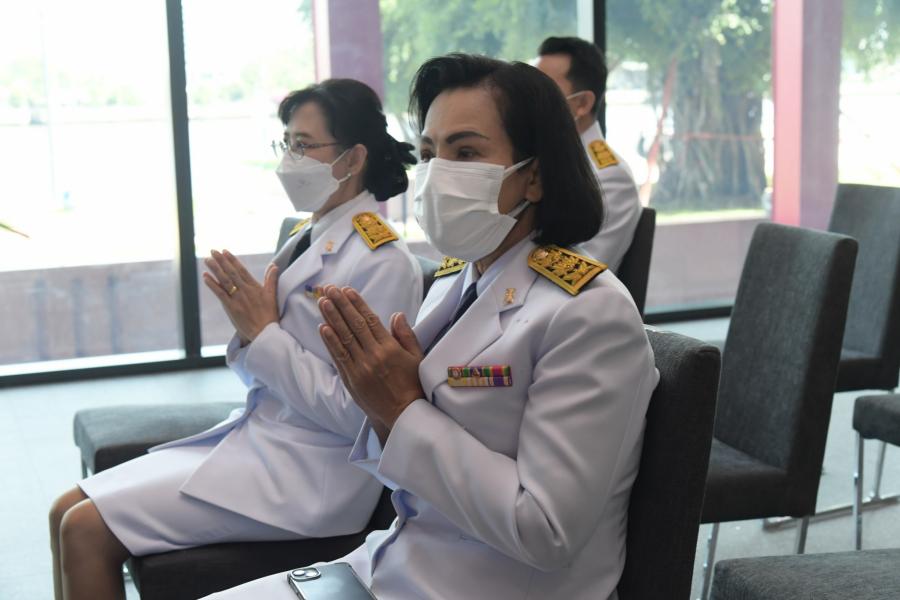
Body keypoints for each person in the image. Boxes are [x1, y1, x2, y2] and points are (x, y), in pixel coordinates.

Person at [207, 54, 658, 600]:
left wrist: (400, 408)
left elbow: (544, 530)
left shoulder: (589, 314)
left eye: (465, 152)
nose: (438, 172)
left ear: (535, 176)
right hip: (398, 561)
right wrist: (380, 405)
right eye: (428, 153)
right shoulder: (456, 280)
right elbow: (403, 464)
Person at [48, 78, 423, 600]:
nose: (289, 160)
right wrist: (253, 335)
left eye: (304, 145)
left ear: (354, 157)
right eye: (286, 143)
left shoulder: (382, 261)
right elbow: (261, 376)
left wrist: (263, 333)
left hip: (312, 473)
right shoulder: (307, 234)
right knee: (63, 510)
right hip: (262, 440)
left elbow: (358, 415)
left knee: (83, 529)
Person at [536, 36, 642, 273]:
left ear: (582, 103)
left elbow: (577, 272)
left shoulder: (608, 178)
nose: (529, 102)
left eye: (543, 90)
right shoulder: (537, 161)